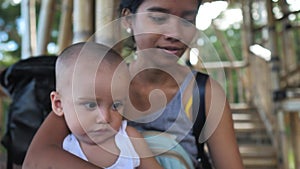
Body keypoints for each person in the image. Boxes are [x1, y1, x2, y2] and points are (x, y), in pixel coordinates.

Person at [23, 0, 244, 169]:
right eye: (159, 17)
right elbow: (36, 159)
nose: (175, 33)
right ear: (128, 19)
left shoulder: (205, 94)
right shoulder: (90, 85)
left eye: (188, 19)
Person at [49, 42, 163, 169]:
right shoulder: (62, 150)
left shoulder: (129, 140)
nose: (105, 118)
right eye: (91, 105)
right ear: (58, 104)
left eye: (116, 105)